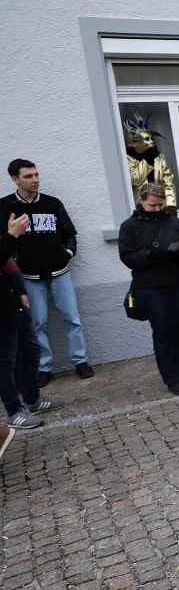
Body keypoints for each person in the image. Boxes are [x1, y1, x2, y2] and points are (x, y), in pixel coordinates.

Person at [0, 159, 94, 387]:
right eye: (28, 176)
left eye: (36, 175)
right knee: (38, 323)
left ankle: (80, 361)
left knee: (72, 318)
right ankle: (44, 367)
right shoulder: (5, 207)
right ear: (15, 179)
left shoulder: (52, 203)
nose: (35, 180)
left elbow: (70, 233)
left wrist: (68, 252)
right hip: (29, 277)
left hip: (60, 272)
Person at [118, 182, 179, 395]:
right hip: (151, 288)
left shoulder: (174, 222)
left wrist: (178, 253)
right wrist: (151, 255)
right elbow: (126, 257)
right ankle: (172, 378)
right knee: (163, 333)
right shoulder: (130, 226)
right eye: (152, 205)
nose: (156, 209)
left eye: (160, 205)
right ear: (141, 201)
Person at [1, 211, 61, 429]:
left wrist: (20, 290)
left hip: (12, 301)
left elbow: (6, 262)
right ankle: (14, 412)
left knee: (28, 351)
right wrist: (11, 236)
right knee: (4, 363)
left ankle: (33, 400)